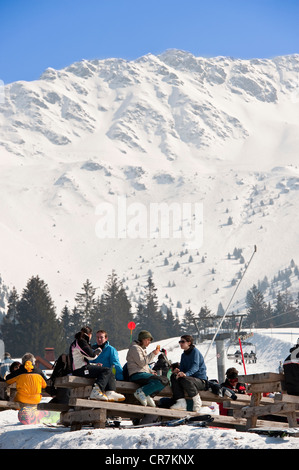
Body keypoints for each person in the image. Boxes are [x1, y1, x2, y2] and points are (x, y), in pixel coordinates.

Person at [70, 326, 125, 402]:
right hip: (80, 369)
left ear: (106, 338)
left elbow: (115, 364)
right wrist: (97, 353)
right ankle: (96, 390)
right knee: (106, 370)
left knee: (108, 371)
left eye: (101, 337)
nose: (99, 339)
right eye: (97, 337)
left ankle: (110, 392)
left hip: (83, 368)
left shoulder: (110, 349)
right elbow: (91, 356)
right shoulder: (81, 341)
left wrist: (95, 365)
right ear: (90, 335)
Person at [126, 330, 168, 407]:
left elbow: (144, 366)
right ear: (142, 339)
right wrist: (153, 354)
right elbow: (142, 363)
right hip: (136, 374)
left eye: (150, 340)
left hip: (141, 373)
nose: (149, 342)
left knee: (165, 381)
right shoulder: (135, 348)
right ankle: (141, 392)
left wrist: (151, 371)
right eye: (148, 339)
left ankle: (148, 395)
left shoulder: (142, 349)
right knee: (162, 380)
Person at [170, 335, 208, 412]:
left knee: (185, 380)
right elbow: (183, 369)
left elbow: (195, 366)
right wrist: (178, 372)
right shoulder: (183, 355)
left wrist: (186, 374)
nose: (180, 343)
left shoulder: (195, 352)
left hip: (200, 380)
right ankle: (181, 402)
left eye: (182, 342)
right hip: (188, 379)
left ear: (189, 343)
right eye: (180, 342)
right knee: (173, 376)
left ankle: (197, 401)